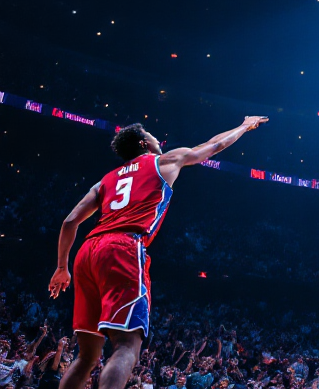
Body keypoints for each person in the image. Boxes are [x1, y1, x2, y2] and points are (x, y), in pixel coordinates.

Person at [48, 117, 269, 389]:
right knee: (127, 346)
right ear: (144, 144)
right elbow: (214, 145)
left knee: (86, 357)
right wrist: (244, 126)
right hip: (123, 247)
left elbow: (70, 221)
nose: (158, 141)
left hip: (87, 252)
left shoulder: (105, 180)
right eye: (153, 137)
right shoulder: (163, 162)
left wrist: (61, 267)